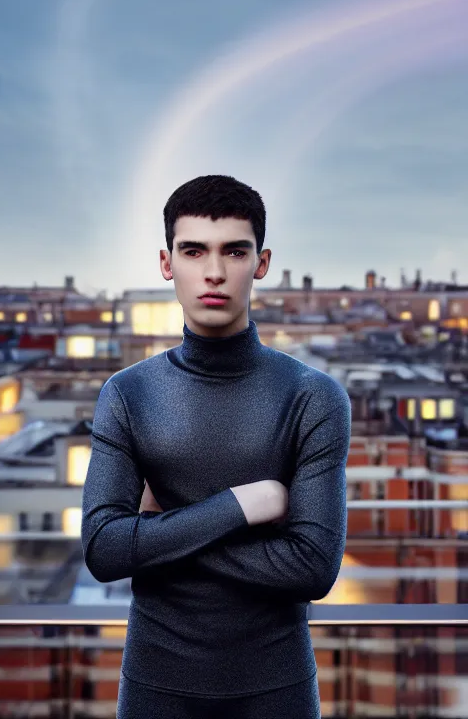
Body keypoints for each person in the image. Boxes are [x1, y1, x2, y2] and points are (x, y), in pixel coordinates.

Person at [81, 174, 352, 718]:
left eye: (234, 250)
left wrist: (160, 535)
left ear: (262, 262)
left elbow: (313, 568)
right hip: (156, 686)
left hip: (277, 689)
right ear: (167, 263)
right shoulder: (128, 394)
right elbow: (103, 550)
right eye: (193, 250)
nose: (213, 272)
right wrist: (240, 507)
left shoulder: (314, 396)